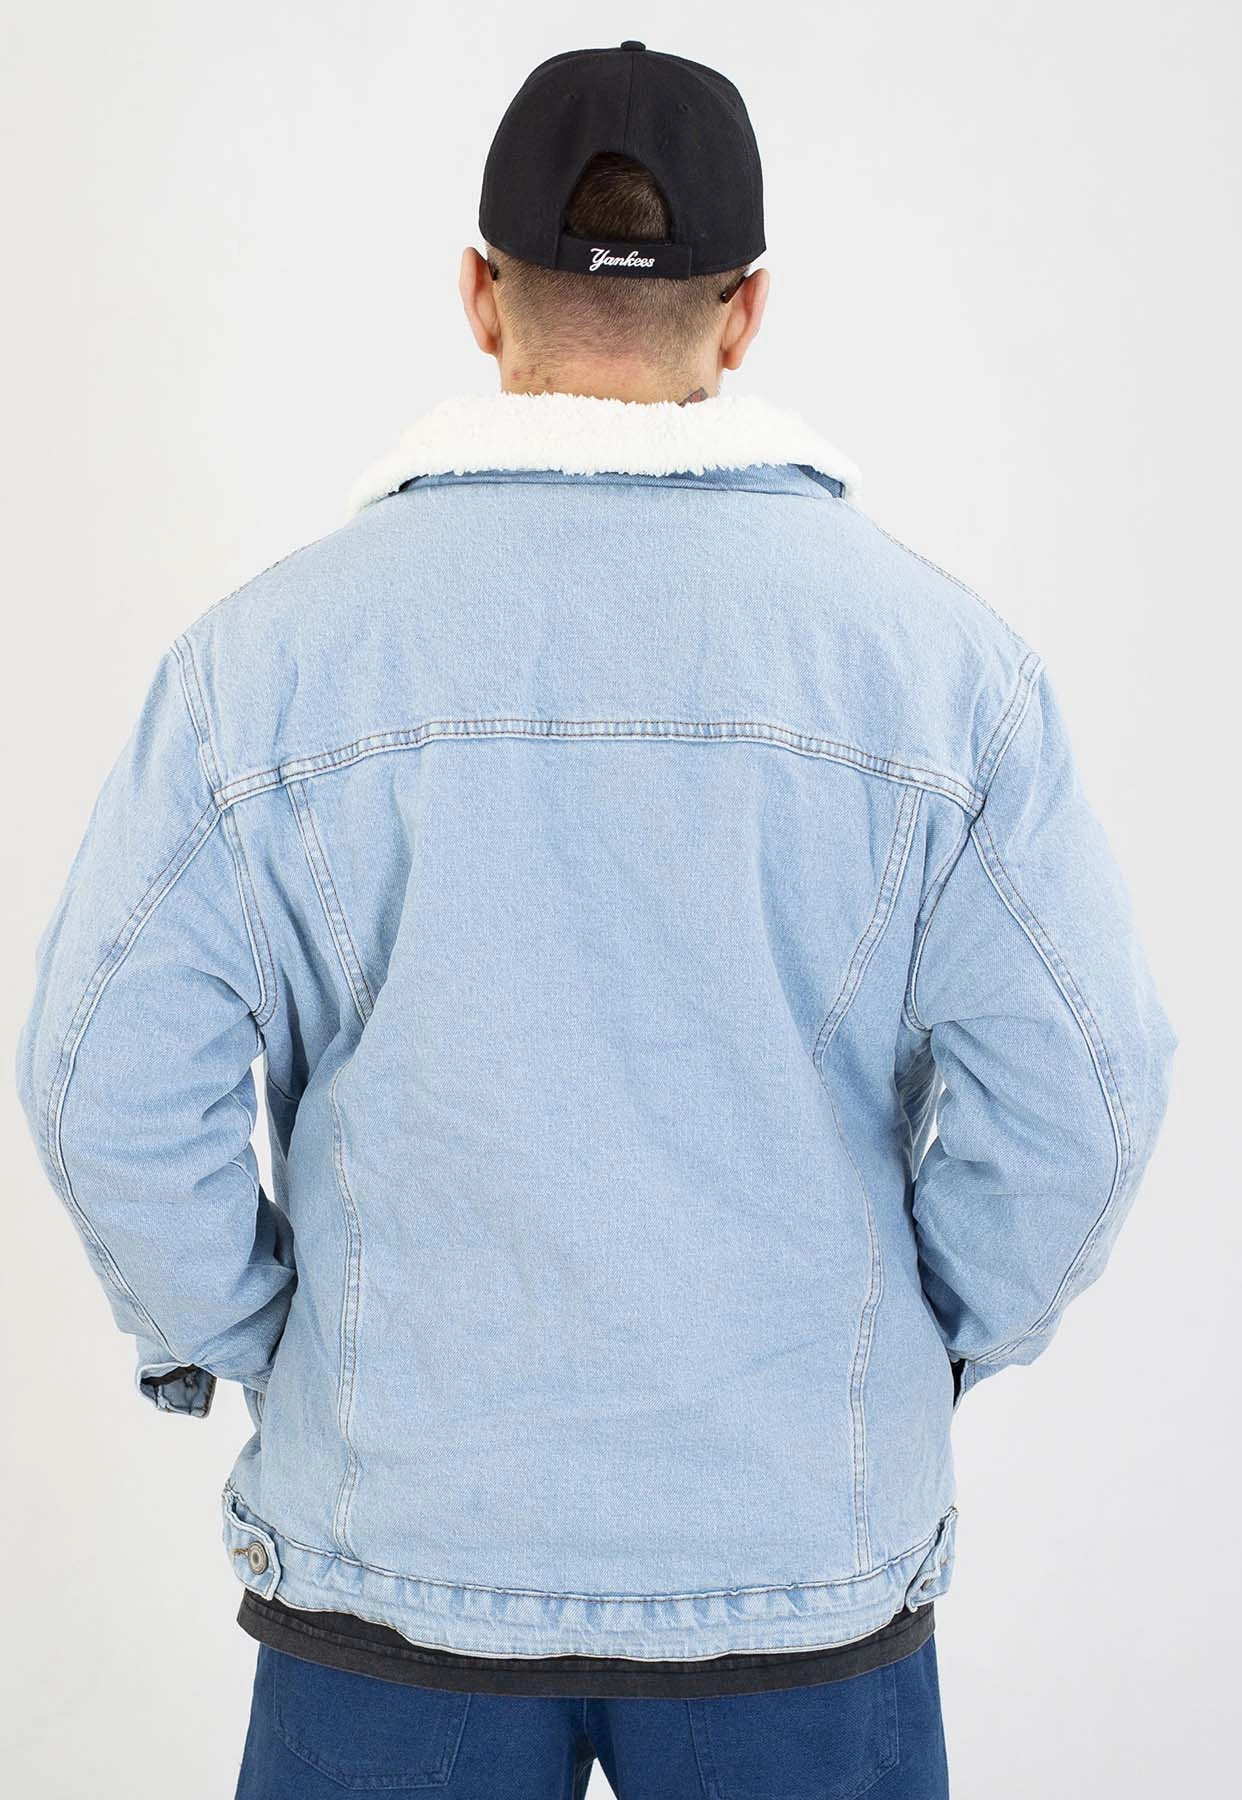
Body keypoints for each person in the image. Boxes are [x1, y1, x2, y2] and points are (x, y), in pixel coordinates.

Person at [15, 40, 1175, 1800]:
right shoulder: (939, 674)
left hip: (391, 1573)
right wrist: (906, 1344)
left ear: (479, 295)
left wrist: (278, 1348)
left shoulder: (264, 668)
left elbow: (101, 1079)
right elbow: (1086, 1090)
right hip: (794, 1572)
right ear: (748, 309)